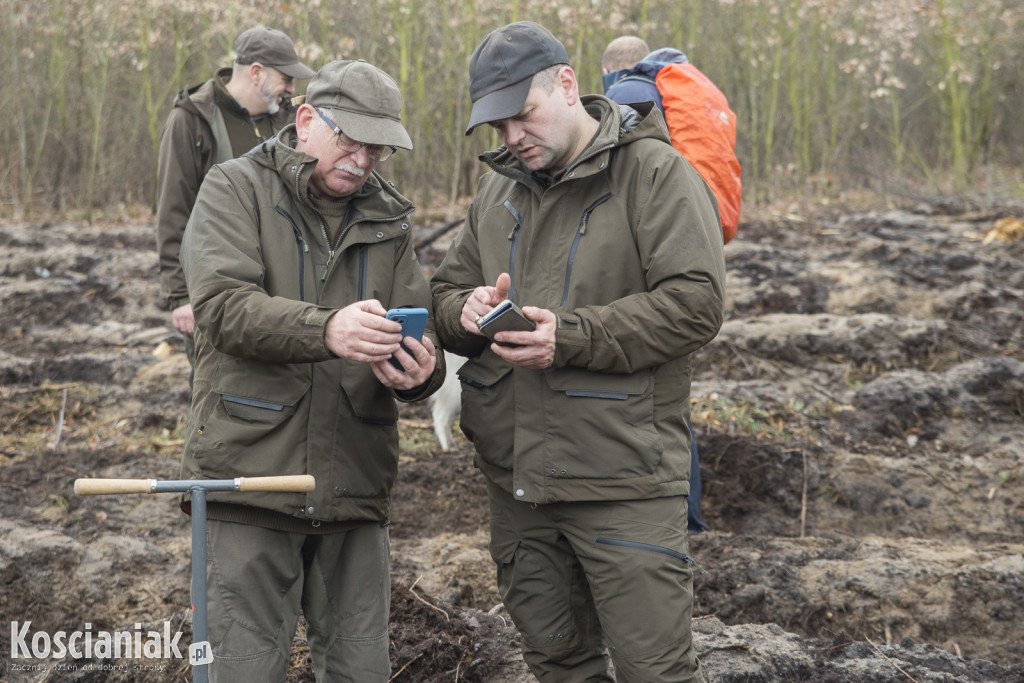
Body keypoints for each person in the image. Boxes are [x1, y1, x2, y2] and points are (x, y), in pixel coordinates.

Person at [431, 21, 725, 683]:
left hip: (621, 476)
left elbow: (697, 302)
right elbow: (445, 294)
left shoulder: (656, 174)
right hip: (516, 483)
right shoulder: (497, 192)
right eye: (497, 127)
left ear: (567, 84)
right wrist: (465, 311)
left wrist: (571, 336)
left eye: (522, 116)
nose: (512, 137)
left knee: (655, 670)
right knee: (558, 662)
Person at [179, 59, 445, 681]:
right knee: (242, 669)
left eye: (376, 148)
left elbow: (420, 323)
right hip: (250, 480)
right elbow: (220, 308)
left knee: (361, 670)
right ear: (305, 121)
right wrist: (325, 328)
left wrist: (421, 371)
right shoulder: (233, 188)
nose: (362, 160)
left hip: (353, 485)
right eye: (349, 140)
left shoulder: (390, 221)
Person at [155, 26, 315, 387]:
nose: (292, 89)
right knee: (220, 390)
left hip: (282, 286)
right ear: (256, 72)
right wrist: (180, 296)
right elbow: (173, 211)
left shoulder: (287, 120)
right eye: (286, 78)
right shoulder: (190, 121)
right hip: (216, 288)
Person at [602, 36, 710, 533]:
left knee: (654, 396)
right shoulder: (677, 93)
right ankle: (686, 513)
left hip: (649, 261)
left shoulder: (630, 95)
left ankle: (680, 515)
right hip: (689, 243)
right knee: (672, 391)